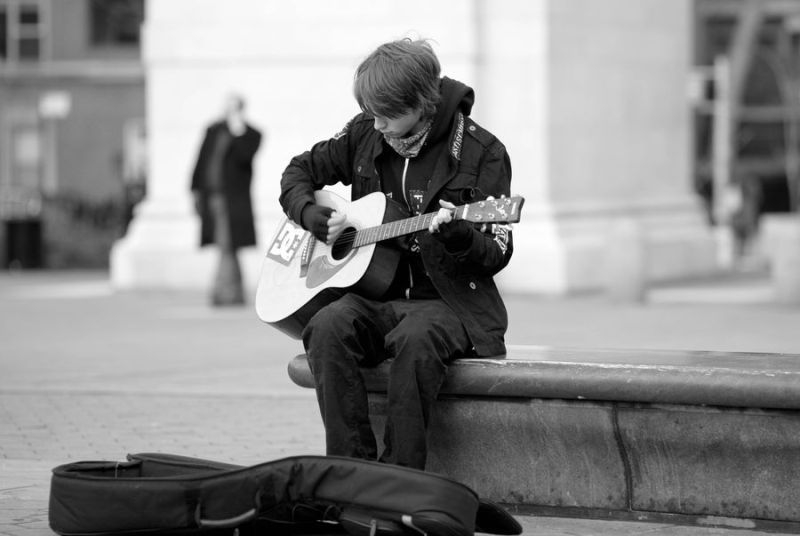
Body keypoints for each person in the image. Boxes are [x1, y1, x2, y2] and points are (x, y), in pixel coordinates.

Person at [279, 38, 513, 469]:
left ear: (422, 103)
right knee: (327, 324)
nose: (378, 125)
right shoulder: (364, 133)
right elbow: (298, 171)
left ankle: (400, 480)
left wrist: (460, 235)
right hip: (376, 297)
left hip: (448, 304)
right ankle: (349, 473)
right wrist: (310, 214)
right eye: (372, 114)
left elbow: (496, 250)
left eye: (387, 115)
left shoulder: (484, 153)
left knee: (415, 338)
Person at [191, 93, 262, 306]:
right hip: (212, 197)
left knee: (227, 244)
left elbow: (244, 156)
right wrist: (194, 190)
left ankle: (223, 292)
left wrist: (237, 129)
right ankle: (234, 293)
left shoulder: (251, 134)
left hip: (233, 200)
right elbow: (201, 162)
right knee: (227, 245)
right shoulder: (213, 130)